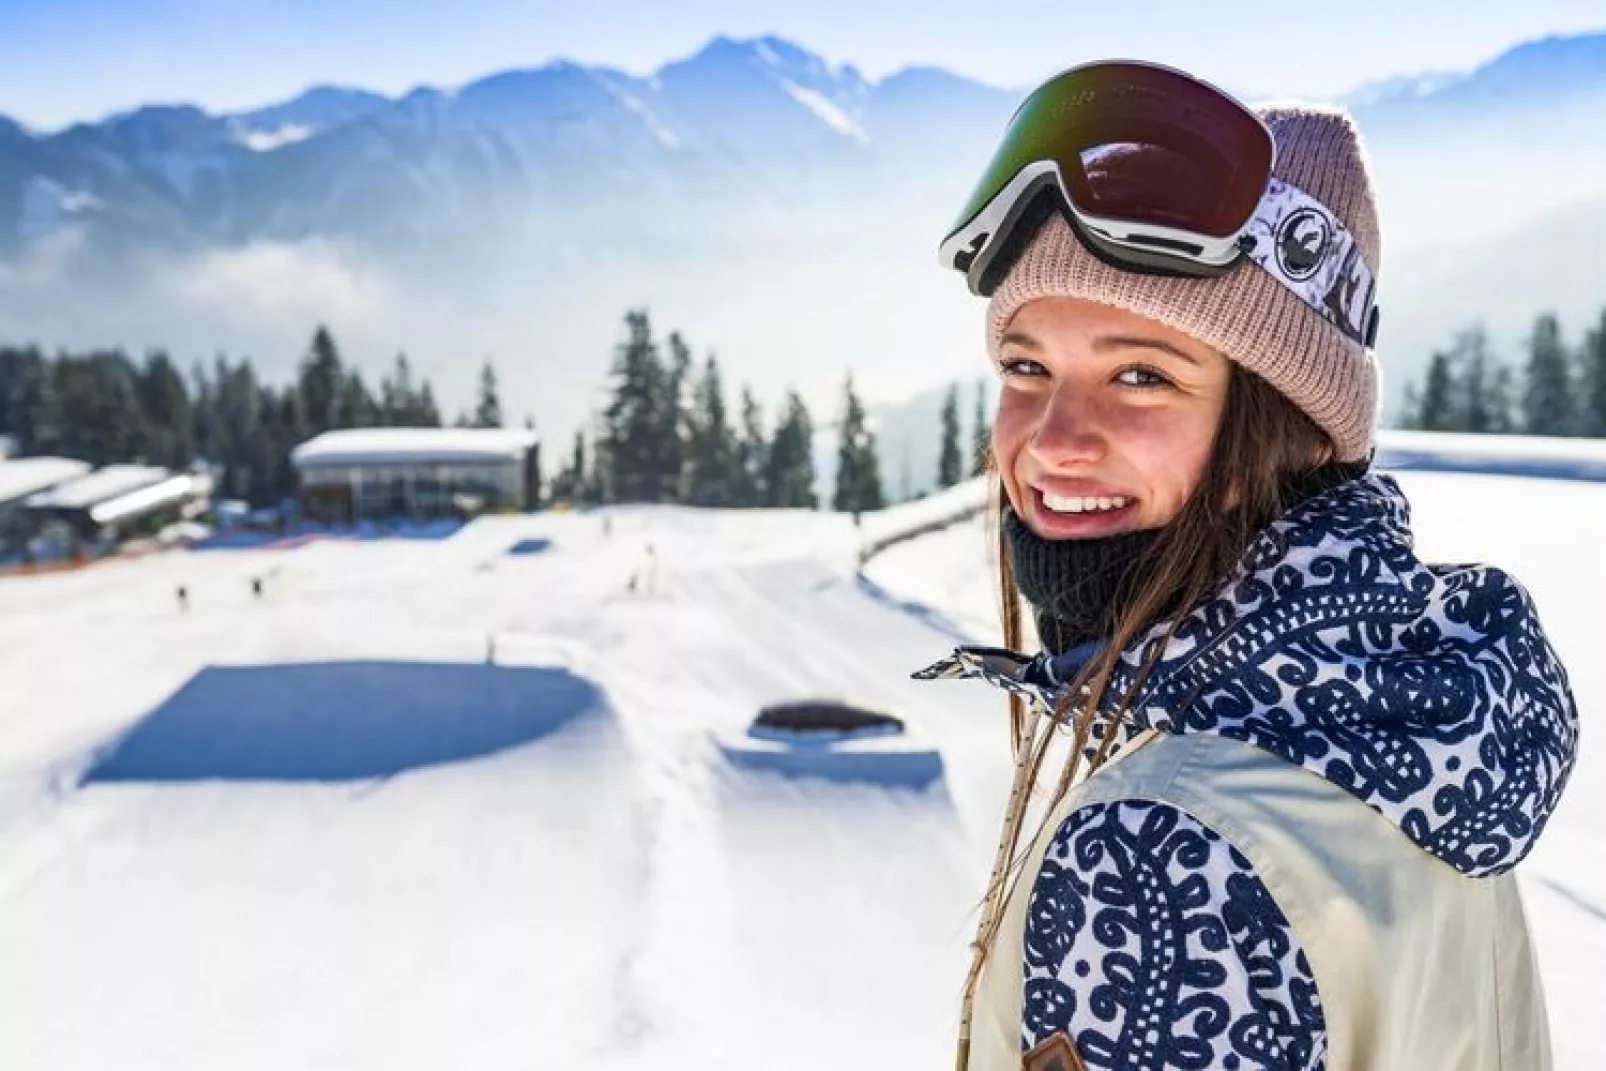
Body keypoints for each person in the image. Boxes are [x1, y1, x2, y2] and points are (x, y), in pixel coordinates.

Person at [916, 61, 1578, 1071]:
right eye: (1025, 367)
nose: (1052, 441)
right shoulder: (1405, 735)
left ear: (1296, 432)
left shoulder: (1156, 851)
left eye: (1142, 375)